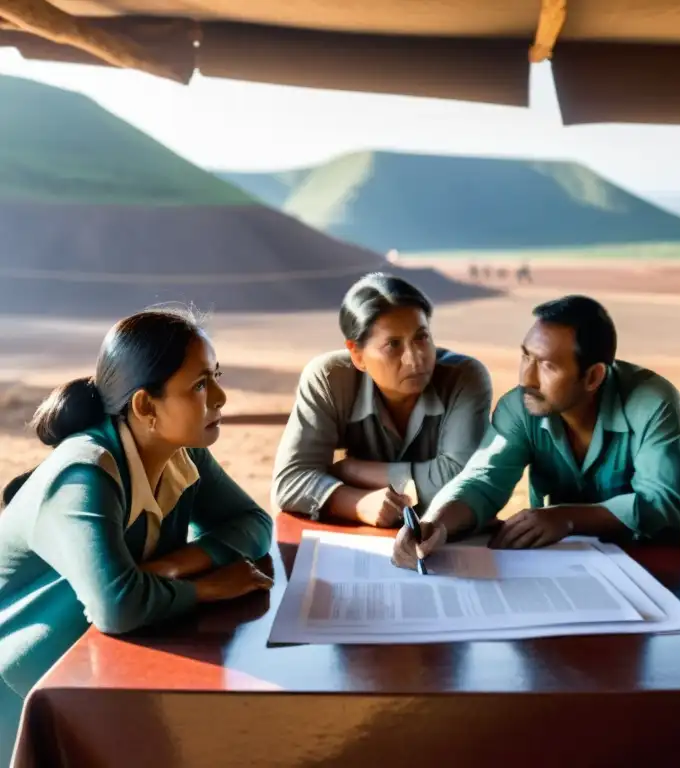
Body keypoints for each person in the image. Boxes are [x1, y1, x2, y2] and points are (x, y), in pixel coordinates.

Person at [0, 308, 274, 764]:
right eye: (201, 385)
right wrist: (204, 588)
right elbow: (116, 606)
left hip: (95, 669)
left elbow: (254, 524)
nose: (221, 397)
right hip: (27, 691)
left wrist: (169, 567)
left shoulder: (180, 452)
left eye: (216, 377)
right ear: (146, 406)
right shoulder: (83, 473)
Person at [392, 294, 680, 566]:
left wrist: (567, 517)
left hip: (660, 562)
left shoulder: (653, 402)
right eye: (526, 357)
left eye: (547, 366)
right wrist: (434, 524)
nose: (527, 379)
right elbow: (482, 481)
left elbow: (662, 506)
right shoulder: (520, 407)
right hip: (571, 565)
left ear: (593, 377)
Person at [271, 273, 492, 526]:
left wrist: (351, 470)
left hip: (446, 537)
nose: (415, 358)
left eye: (422, 337)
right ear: (357, 355)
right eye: (393, 345)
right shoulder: (330, 378)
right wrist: (357, 503)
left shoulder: (464, 377)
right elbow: (290, 482)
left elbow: (466, 483)